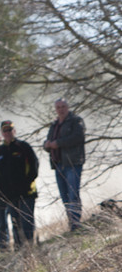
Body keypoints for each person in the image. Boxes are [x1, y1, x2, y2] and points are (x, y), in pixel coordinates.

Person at [0, 120, 39, 248]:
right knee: (15, 221)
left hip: (27, 192)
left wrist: (27, 182)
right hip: (10, 195)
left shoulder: (23, 147)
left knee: (27, 220)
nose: (7, 132)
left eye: (9, 130)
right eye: (5, 130)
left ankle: (30, 246)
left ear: (14, 131)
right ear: (2, 133)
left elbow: (34, 166)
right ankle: (19, 248)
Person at [43, 98, 86, 231]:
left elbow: (78, 137)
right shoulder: (54, 124)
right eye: (58, 107)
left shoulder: (75, 121)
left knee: (73, 193)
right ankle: (71, 221)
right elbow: (49, 141)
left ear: (67, 107)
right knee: (65, 195)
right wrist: (46, 145)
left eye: (63, 107)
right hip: (58, 164)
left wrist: (59, 143)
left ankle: (76, 223)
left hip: (72, 163)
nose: (61, 109)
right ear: (55, 110)